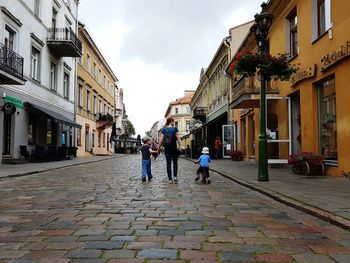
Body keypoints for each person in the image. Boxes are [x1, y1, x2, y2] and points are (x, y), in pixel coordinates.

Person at [158, 117, 181, 184]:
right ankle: (175, 177)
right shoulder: (175, 129)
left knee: (168, 164)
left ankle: (170, 179)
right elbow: (178, 138)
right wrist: (180, 145)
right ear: (171, 121)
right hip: (174, 149)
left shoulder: (164, 130)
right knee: (175, 163)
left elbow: (160, 140)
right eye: (173, 122)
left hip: (167, 149)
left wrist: (158, 148)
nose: (174, 123)